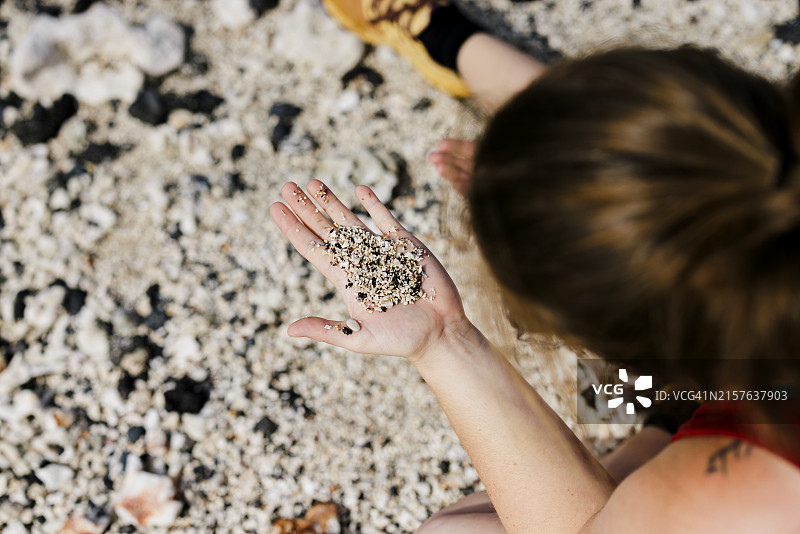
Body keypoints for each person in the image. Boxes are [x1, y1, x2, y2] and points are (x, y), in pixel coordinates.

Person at [270, 0, 800, 532]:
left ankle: (660, 423)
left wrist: (443, 340)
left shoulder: (748, 477)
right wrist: (546, 174)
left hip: (727, 413)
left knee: (455, 530)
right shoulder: (777, 155)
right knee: (642, 163)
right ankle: (445, 34)